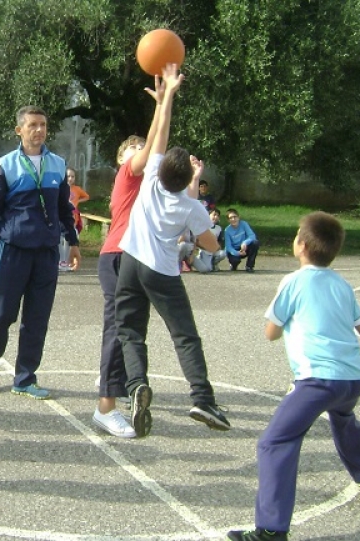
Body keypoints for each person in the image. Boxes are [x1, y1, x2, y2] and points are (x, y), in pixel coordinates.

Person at [228, 211, 360, 541]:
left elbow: (271, 333)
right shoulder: (342, 285)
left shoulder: (293, 282)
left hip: (319, 380)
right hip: (352, 380)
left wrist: (284, 324)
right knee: (344, 418)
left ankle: (272, 529)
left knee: (274, 442)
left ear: (301, 245)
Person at [114, 63, 230, 437]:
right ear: (187, 179)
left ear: (163, 168)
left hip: (130, 261)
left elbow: (160, 134)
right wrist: (207, 230)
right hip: (161, 270)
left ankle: (137, 387)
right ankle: (202, 398)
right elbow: (211, 244)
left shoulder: (150, 176)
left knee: (130, 330)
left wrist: (166, 98)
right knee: (184, 334)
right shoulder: (191, 206)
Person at [0, 105, 81, 399]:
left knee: (37, 317)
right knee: (3, 312)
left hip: (46, 251)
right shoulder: (5, 165)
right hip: (14, 249)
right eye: (32, 125)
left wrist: (73, 242)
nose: (39, 130)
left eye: (43, 125)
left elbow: (63, 208)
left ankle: (25, 377)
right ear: (19, 130)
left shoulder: (57, 164)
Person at [92, 80, 165, 439]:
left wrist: (166, 106)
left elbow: (159, 150)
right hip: (118, 257)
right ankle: (106, 406)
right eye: (131, 148)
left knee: (131, 331)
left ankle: (120, 383)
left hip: (139, 260)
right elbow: (152, 147)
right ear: (121, 160)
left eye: (140, 146)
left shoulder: (150, 183)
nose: (139, 150)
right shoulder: (126, 175)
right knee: (119, 329)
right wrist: (159, 108)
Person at [59, 167, 89, 271]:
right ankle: (61, 260)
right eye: (68, 176)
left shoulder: (77, 189)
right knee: (60, 239)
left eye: (73, 176)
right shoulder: (61, 188)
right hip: (62, 216)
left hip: (73, 216)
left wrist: (77, 202)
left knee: (69, 238)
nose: (70, 178)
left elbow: (86, 196)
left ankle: (68, 261)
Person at [191, 208, 226, 273]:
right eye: (214, 215)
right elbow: (197, 241)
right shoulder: (203, 227)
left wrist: (217, 247)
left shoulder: (219, 228)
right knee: (208, 269)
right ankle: (200, 260)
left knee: (223, 253)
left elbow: (220, 241)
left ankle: (213, 263)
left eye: (218, 216)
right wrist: (206, 248)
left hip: (214, 250)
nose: (216, 217)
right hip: (205, 251)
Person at [224, 208, 260, 272]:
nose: (233, 219)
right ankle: (233, 265)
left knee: (255, 243)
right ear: (228, 220)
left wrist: (245, 242)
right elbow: (228, 247)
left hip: (243, 247)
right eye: (231, 218)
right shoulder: (227, 231)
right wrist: (238, 253)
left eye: (235, 217)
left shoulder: (244, 224)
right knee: (235, 260)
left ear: (238, 217)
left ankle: (249, 266)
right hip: (234, 250)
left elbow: (252, 236)